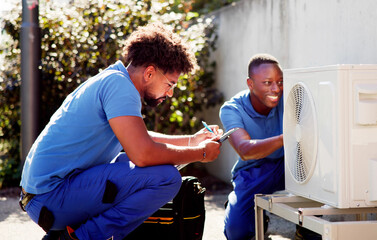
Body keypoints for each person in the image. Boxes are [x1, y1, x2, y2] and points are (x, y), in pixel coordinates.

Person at [19, 22, 222, 240]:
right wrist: (201, 153)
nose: (169, 93)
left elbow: (138, 138)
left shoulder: (114, 79)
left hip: (45, 196)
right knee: (166, 178)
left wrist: (193, 140)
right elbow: (143, 154)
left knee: (137, 162)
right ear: (150, 73)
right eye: (170, 84)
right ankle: (80, 238)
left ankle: (73, 234)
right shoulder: (120, 87)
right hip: (50, 197)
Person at [219, 53, 285, 240]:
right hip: (253, 170)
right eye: (267, 83)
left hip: (287, 165)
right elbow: (245, 150)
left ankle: (305, 232)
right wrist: (284, 138)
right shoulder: (232, 109)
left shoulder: (290, 96)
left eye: (280, 82)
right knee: (237, 233)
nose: (276, 88)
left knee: (319, 178)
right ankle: (243, 210)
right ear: (250, 84)